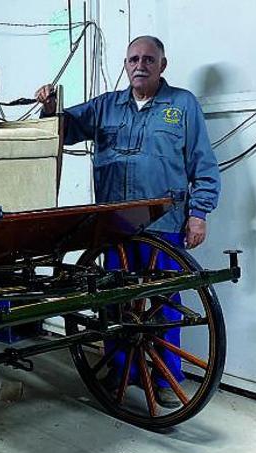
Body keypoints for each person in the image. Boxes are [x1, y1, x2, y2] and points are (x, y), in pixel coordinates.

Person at [35, 35, 220, 408]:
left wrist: (198, 214)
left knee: (164, 300)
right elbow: (62, 128)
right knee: (114, 299)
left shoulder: (182, 105)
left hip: (165, 224)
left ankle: (168, 376)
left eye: (149, 59)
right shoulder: (106, 106)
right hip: (115, 225)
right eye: (134, 58)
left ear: (162, 65)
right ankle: (121, 368)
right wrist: (51, 105)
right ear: (125, 64)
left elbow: (203, 163)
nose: (141, 65)